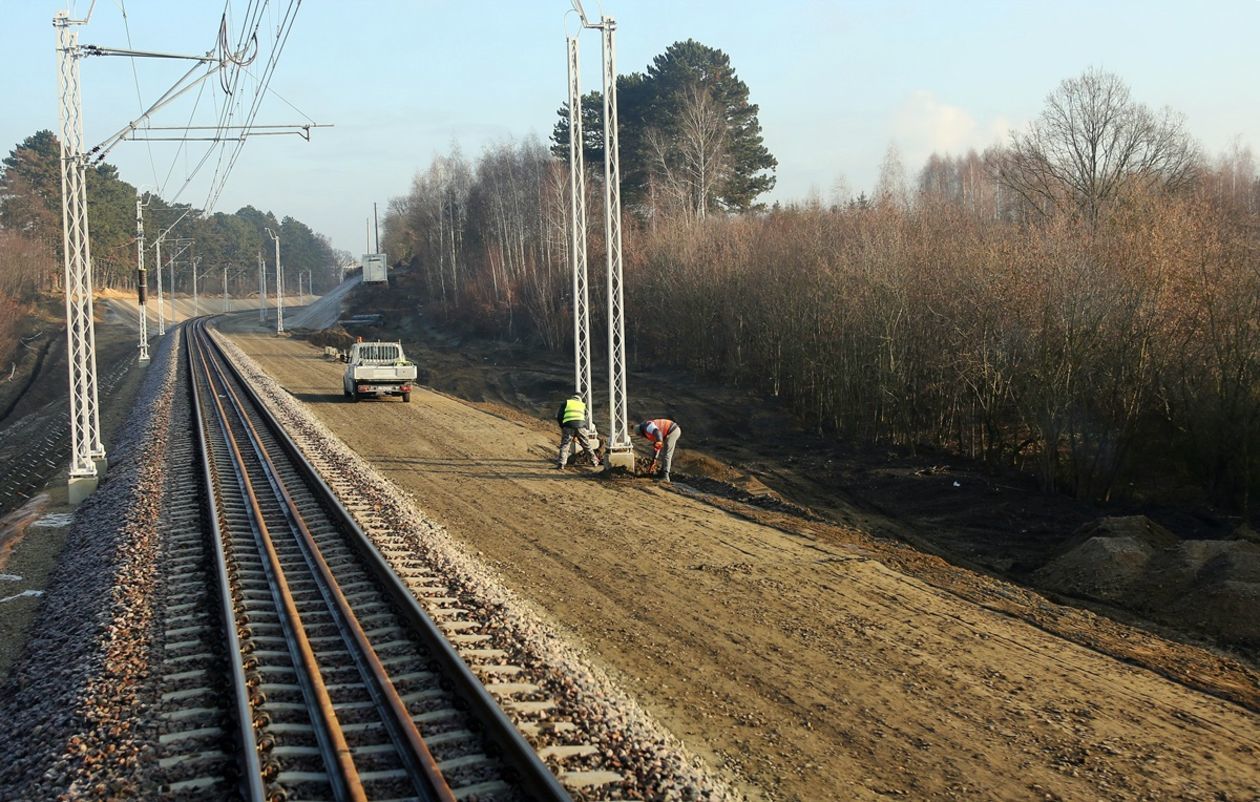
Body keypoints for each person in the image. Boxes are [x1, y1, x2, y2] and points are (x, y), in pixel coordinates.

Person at [556, 393, 600, 469]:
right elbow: (585, 417)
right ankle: (594, 462)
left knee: (565, 444)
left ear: (572, 397)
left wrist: (562, 426)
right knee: (586, 444)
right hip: (580, 426)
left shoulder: (566, 403)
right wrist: (582, 427)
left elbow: (559, 416)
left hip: (568, 426)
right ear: (580, 398)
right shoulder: (582, 405)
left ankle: (561, 463)